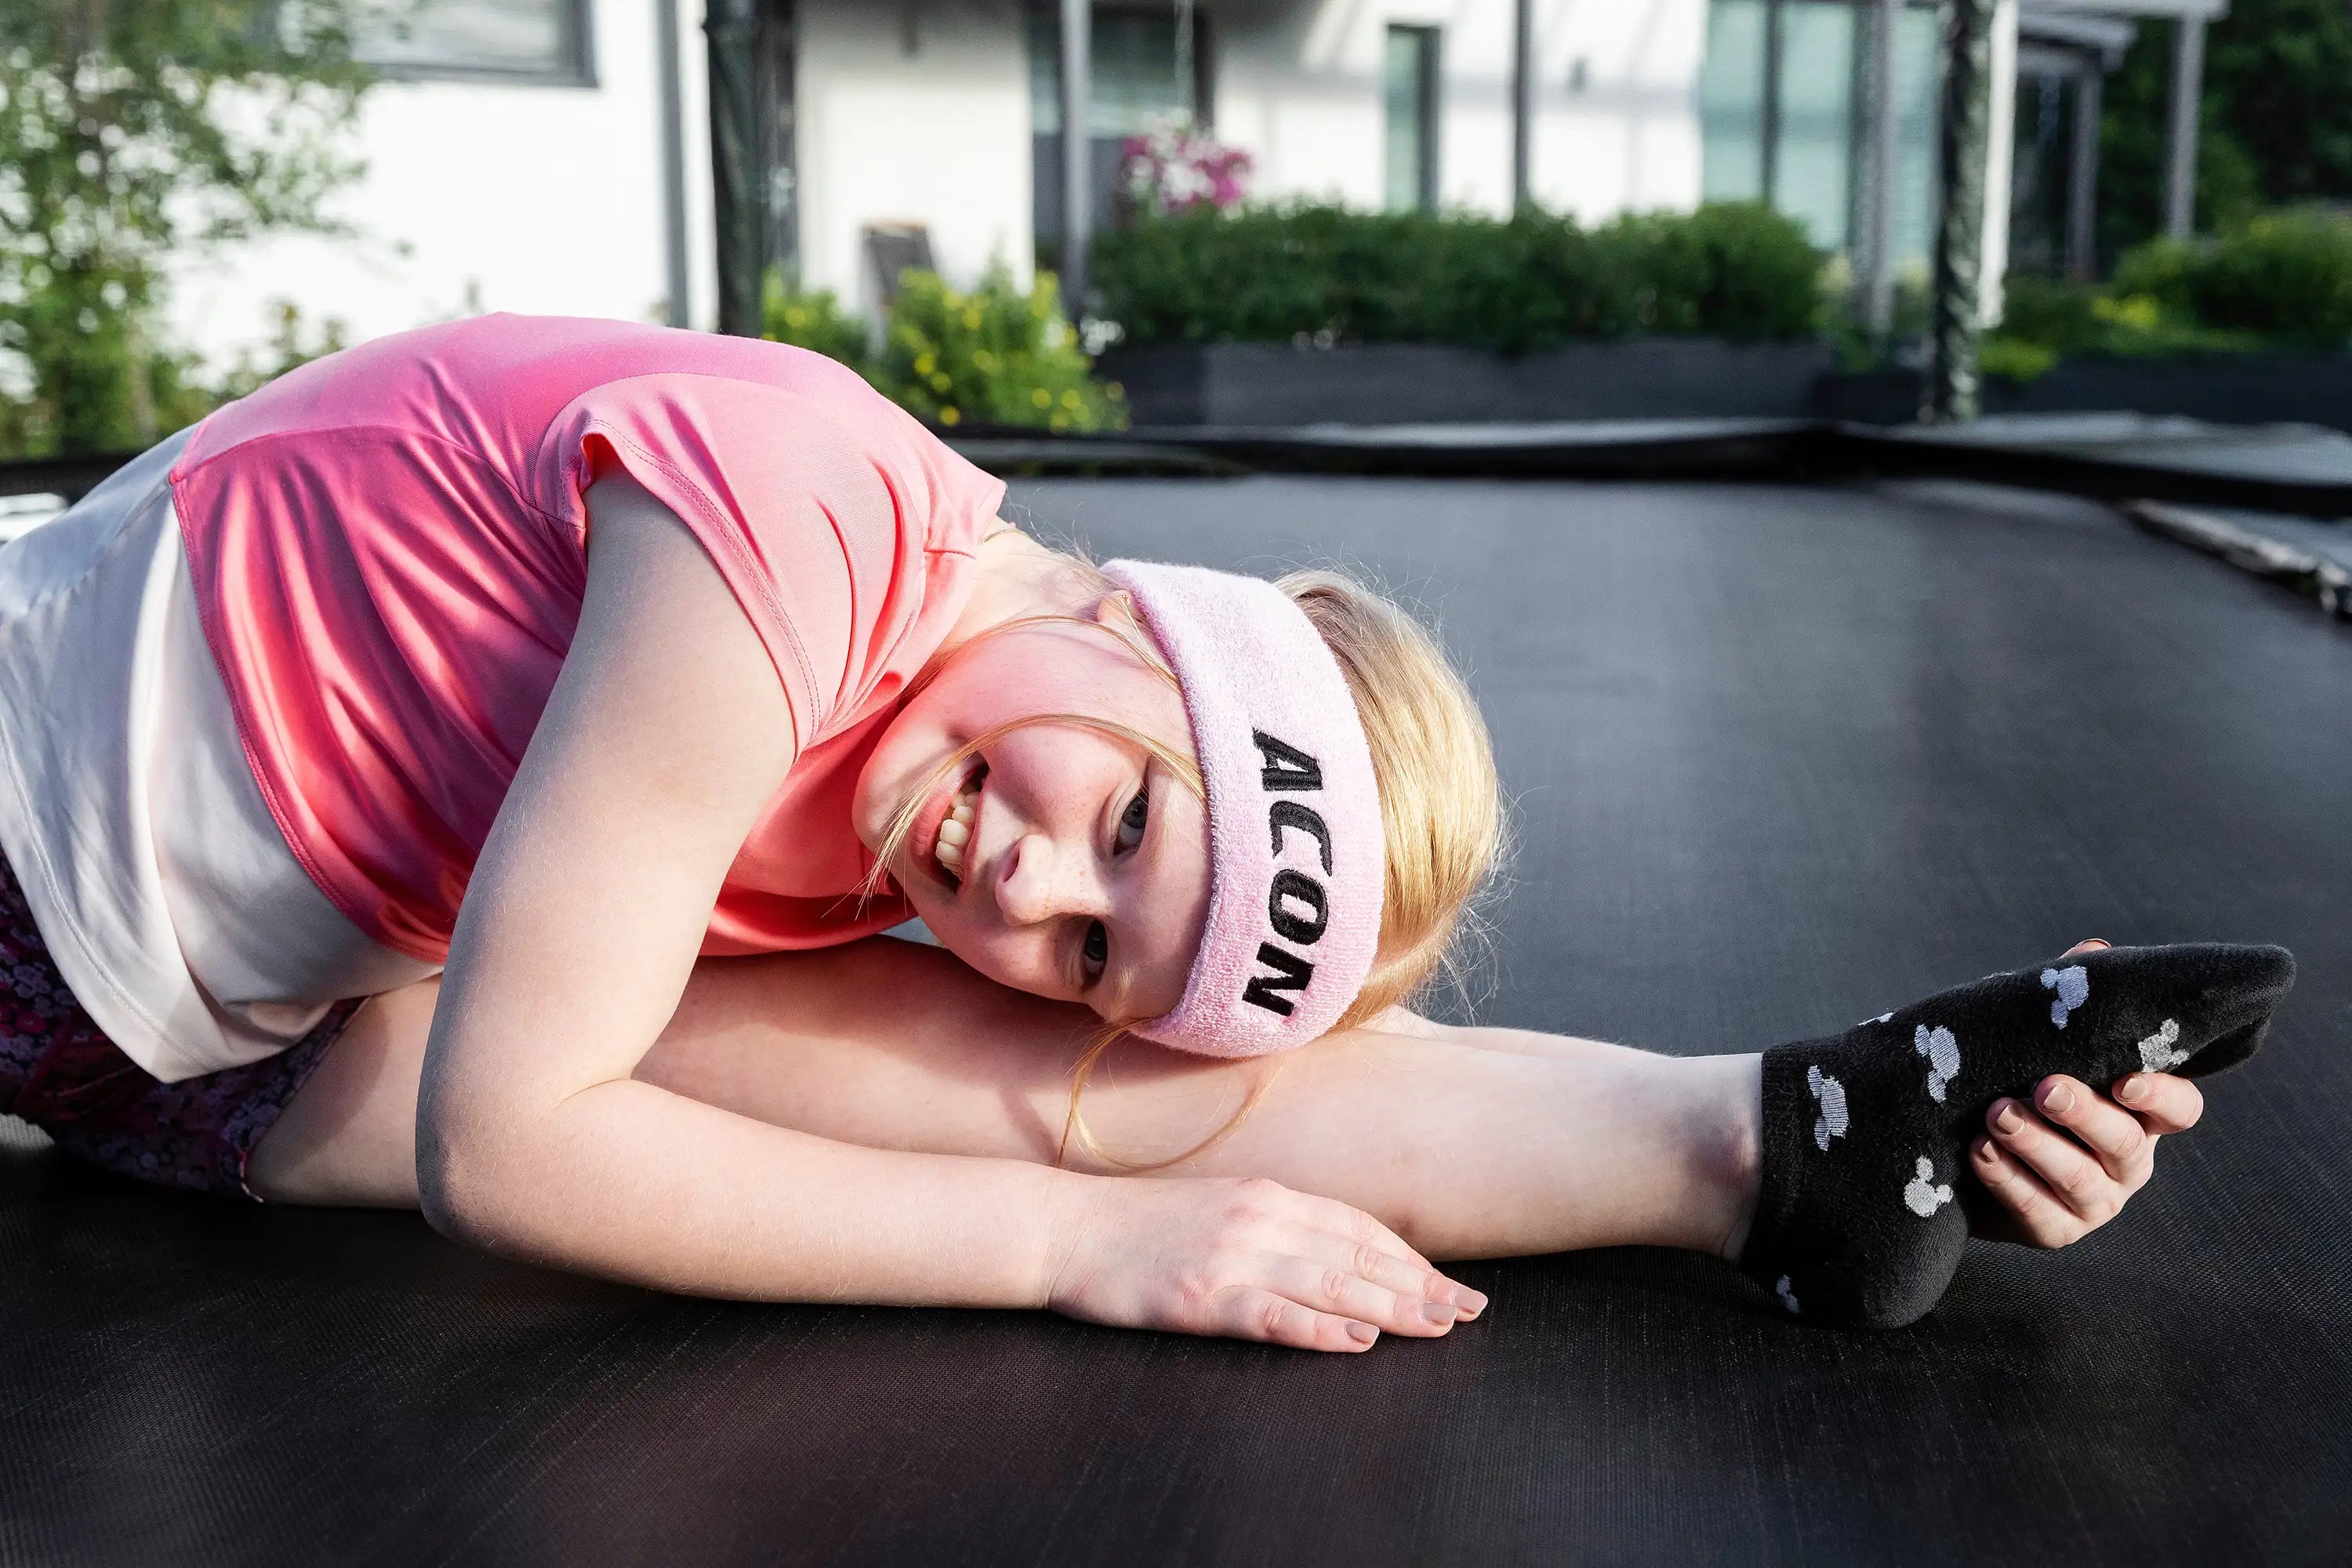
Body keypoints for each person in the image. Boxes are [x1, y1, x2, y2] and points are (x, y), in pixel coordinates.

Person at [0, 315, 2290, 1345]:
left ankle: (1779, 1140)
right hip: (42, 890)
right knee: (631, 1092)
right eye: (1123, 810)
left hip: (204, 1037)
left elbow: (1137, 1035)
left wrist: (1928, 1117)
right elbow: (511, 1154)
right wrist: (1075, 1252)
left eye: (1101, 930)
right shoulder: (781, 540)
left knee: (1046, 1079)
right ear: (1126, 623)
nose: (1028, 880)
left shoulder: (966, 751)